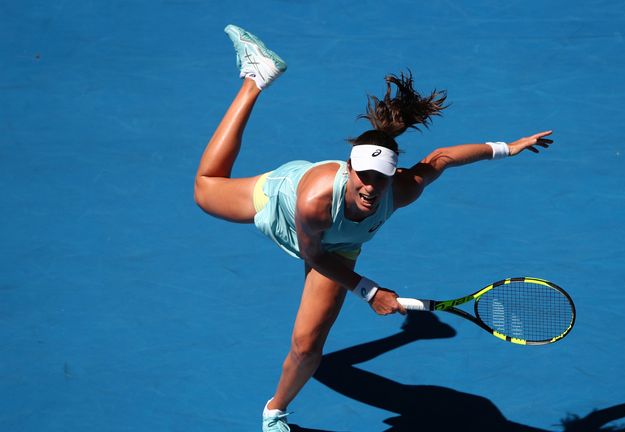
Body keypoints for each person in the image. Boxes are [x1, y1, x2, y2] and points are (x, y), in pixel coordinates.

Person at [194, 24, 554, 432]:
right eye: (363, 176)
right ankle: (255, 79)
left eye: (379, 178)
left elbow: (442, 158)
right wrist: (370, 291)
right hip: (286, 205)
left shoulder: (402, 189)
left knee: (307, 347)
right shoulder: (314, 201)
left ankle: (274, 413)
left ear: (392, 175)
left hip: (340, 249)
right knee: (205, 189)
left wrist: (509, 147)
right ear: (348, 169)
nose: (370, 186)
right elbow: (313, 254)